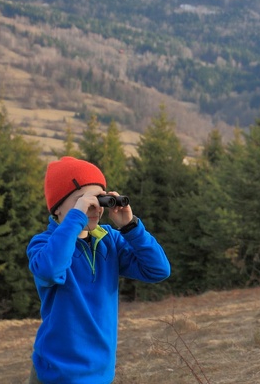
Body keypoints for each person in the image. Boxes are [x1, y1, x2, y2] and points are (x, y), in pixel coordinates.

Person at [26, 156, 171, 384]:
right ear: (58, 209)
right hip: (56, 373)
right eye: (83, 201)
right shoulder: (43, 244)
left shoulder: (109, 241)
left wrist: (130, 227)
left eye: (99, 199)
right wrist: (76, 218)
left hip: (100, 372)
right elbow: (50, 269)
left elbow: (158, 270)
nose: (94, 208)